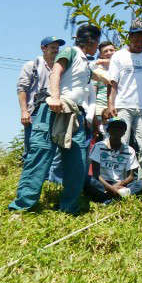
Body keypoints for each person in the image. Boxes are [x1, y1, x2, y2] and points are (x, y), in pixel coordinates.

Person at [9, 24, 104, 214]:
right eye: (97, 43)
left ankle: (69, 207)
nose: (98, 47)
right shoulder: (70, 51)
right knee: (40, 157)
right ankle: (21, 207)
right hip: (53, 110)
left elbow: (92, 73)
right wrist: (55, 97)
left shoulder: (86, 62)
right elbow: (56, 71)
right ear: (92, 42)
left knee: (78, 162)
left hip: (74, 115)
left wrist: (109, 78)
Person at [107, 19, 142, 174]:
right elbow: (113, 83)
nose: (140, 41)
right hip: (122, 106)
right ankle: (117, 178)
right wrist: (111, 104)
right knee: (120, 141)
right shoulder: (119, 56)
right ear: (130, 37)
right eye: (137, 38)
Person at [17, 36, 65, 156]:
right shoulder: (31, 66)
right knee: (33, 149)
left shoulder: (60, 68)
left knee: (54, 152)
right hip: (35, 112)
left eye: (57, 48)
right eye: (53, 47)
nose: (56, 50)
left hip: (56, 112)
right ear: (43, 48)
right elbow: (22, 89)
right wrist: (24, 111)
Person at [84, 117, 142, 203]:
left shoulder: (130, 150)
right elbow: (96, 174)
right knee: (87, 180)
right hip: (102, 183)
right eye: (114, 127)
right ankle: (117, 197)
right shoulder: (99, 146)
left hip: (120, 184)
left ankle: (107, 197)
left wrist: (118, 185)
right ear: (108, 130)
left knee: (141, 183)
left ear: (124, 132)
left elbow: (131, 176)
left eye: (120, 128)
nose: (117, 130)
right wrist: (110, 188)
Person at [92, 41, 116, 140]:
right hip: (100, 112)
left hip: (116, 110)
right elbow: (93, 94)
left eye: (111, 50)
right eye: (105, 51)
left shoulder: (121, 68)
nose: (109, 53)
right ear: (101, 54)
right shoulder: (96, 71)